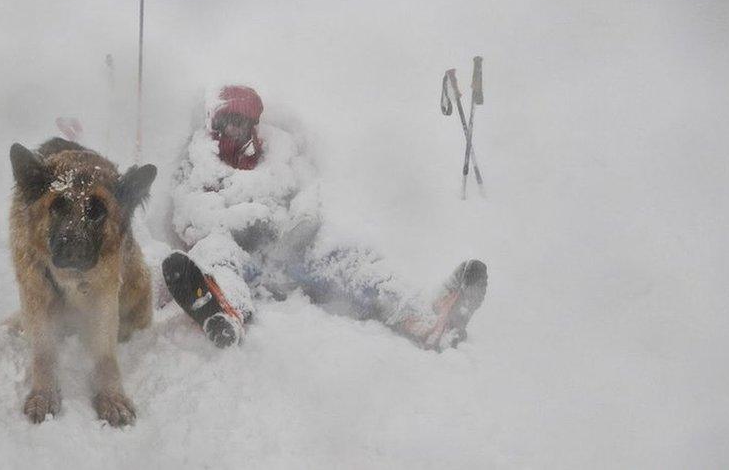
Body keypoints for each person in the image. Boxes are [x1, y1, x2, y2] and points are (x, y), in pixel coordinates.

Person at [161, 85, 488, 351]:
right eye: (228, 122)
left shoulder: (279, 152)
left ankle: (424, 318)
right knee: (214, 253)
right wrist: (242, 220)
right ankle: (223, 310)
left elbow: (309, 191)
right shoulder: (200, 161)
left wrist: (302, 223)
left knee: (352, 259)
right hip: (242, 260)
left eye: (242, 123)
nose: (235, 130)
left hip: (289, 257)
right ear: (215, 124)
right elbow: (190, 217)